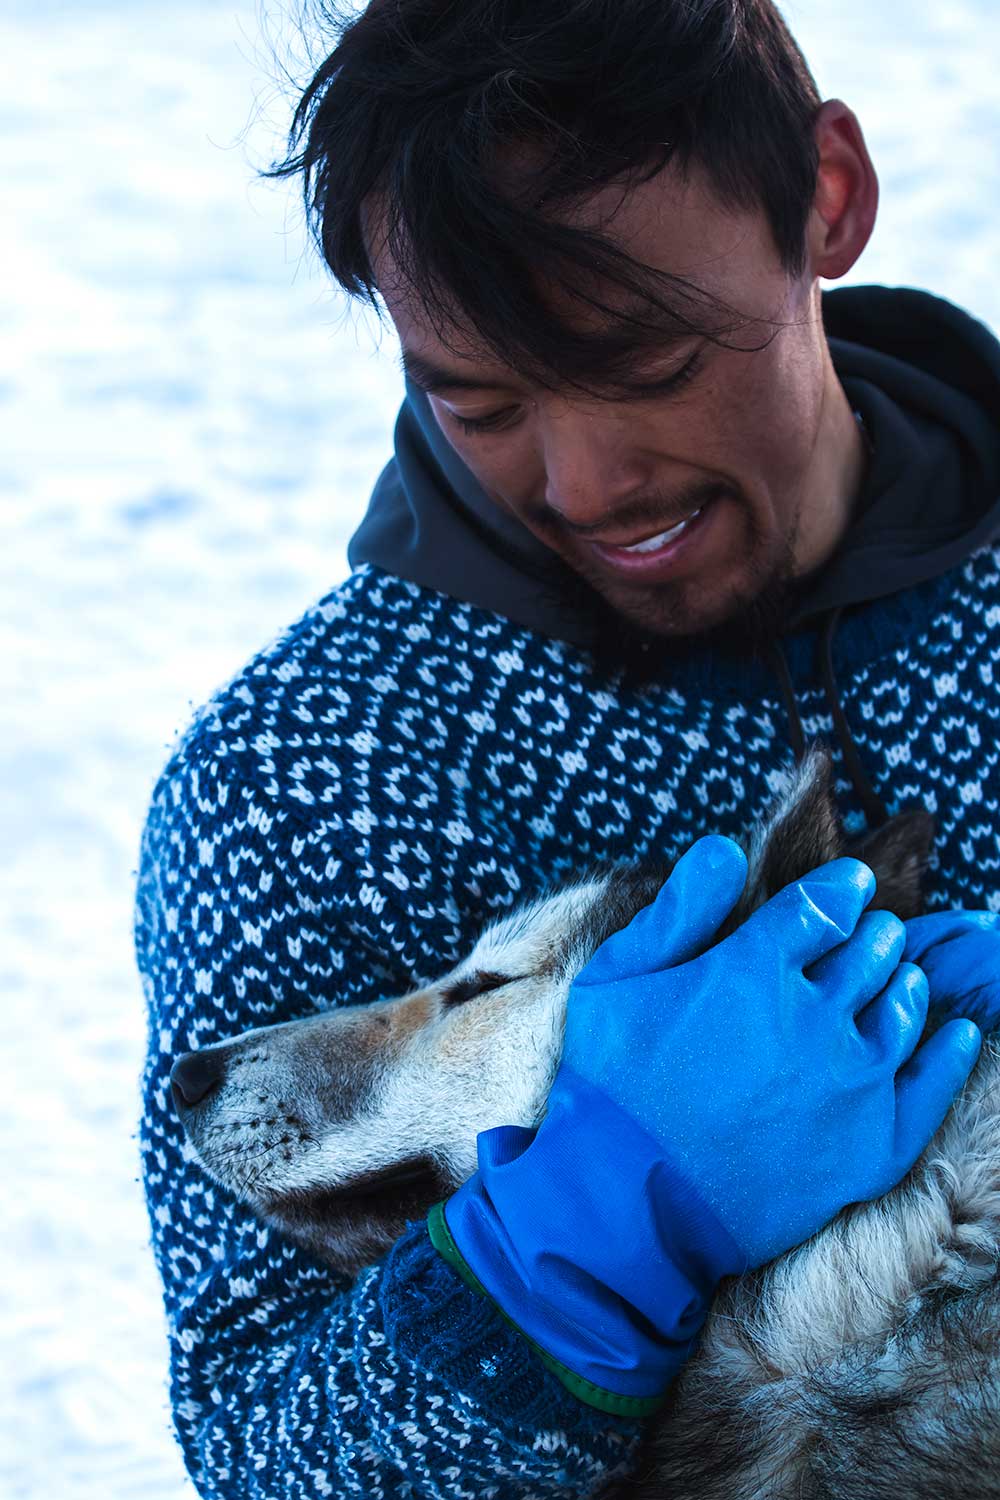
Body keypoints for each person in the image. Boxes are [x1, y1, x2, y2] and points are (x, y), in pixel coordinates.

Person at [134, 1, 1000, 1495]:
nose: (587, 482)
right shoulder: (317, 773)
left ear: (828, 198)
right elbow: (267, 1460)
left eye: (647, 359)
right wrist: (581, 1248)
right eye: (478, 399)